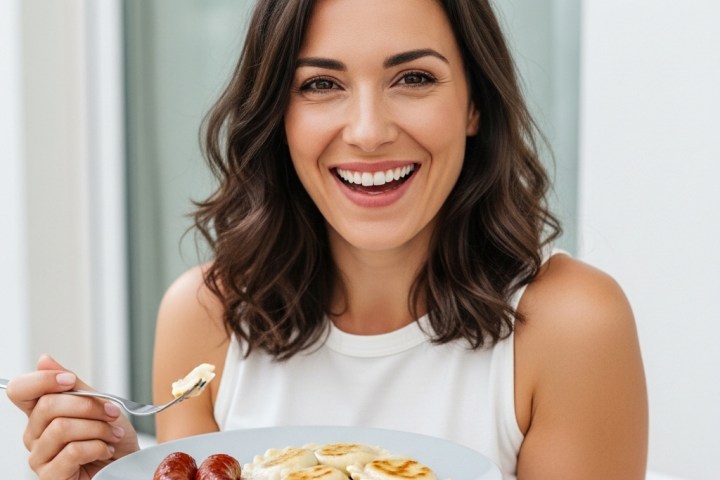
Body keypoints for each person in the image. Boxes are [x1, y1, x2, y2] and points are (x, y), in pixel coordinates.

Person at [6, 0, 649, 478]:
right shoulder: (204, 315)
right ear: (277, 118)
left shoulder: (571, 325)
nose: (368, 131)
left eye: (414, 78)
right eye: (320, 85)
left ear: (475, 104)